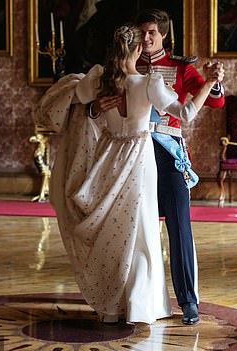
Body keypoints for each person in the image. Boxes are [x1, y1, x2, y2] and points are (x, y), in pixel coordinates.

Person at [37, 23, 217, 325]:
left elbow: (70, 104)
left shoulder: (98, 80)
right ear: (136, 49)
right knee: (142, 231)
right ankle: (141, 305)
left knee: (115, 232)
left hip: (108, 156)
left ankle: (114, 306)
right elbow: (184, 113)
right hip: (139, 157)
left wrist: (94, 107)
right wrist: (208, 84)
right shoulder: (149, 82)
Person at [89, 9, 225, 325]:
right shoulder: (119, 70)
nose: (146, 38)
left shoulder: (180, 67)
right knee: (133, 230)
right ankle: (132, 299)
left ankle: (189, 302)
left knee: (179, 227)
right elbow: (89, 105)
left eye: (152, 32)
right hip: (131, 157)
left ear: (164, 34)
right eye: (142, 33)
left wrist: (213, 82)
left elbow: (214, 101)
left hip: (167, 154)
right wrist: (96, 107)